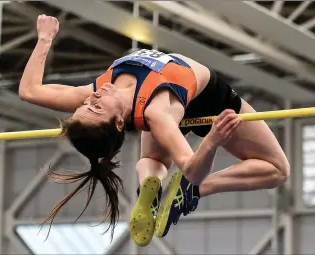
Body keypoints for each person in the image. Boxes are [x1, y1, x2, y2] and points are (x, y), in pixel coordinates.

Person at [19, 15, 290, 246]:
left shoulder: (96, 94)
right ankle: (196, 191)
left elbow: (30, 91)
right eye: (96, 107)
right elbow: (192, 169)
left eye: (86, 104)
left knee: (155, 159)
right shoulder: (156, 114)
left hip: (164, 104)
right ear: (118, 123)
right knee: (277, 170)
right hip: (210, 102)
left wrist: (45, 38)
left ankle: (150, 181)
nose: (93, 98)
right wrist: (212, 140)